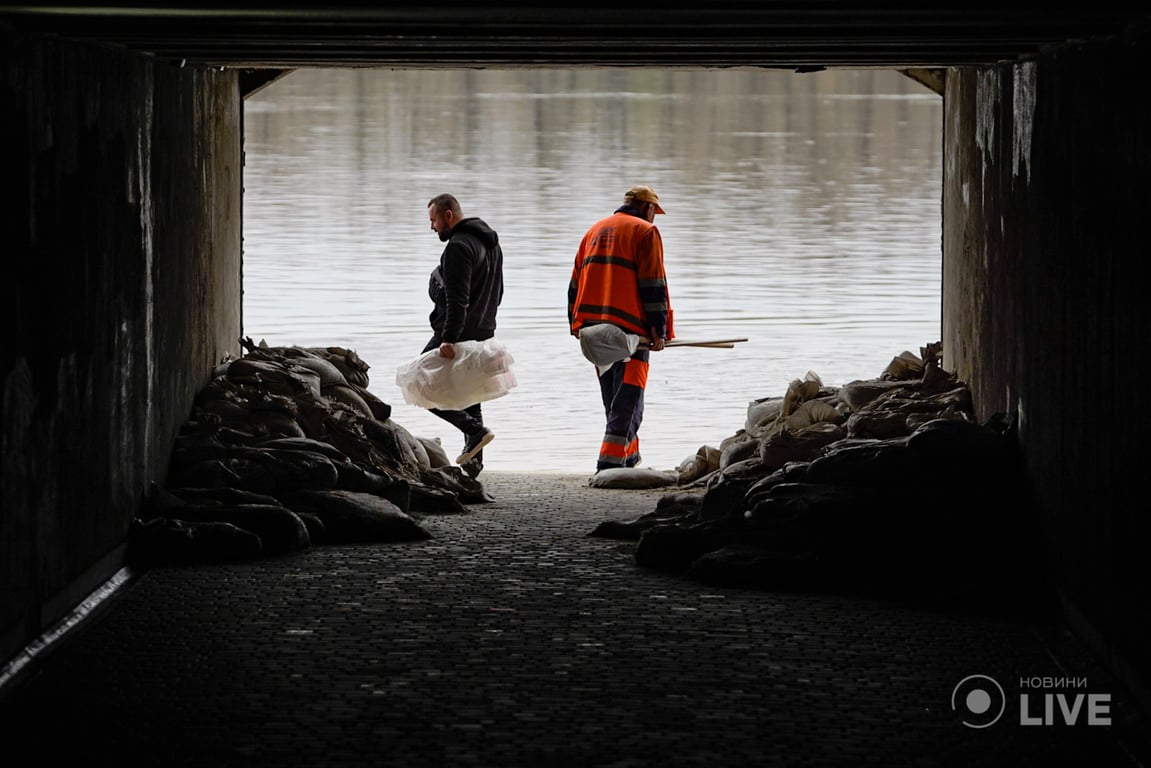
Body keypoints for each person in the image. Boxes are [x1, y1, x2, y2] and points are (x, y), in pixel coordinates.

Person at [568, 185, 675, 473]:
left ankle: (629, 458)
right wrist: (659, 331)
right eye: (654, 212)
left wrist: (575, 324)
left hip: (593, 330)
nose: (654, 218)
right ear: (648, 208)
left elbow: (575, 281)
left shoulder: (594, 230)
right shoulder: (645, 232)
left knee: (614, 398)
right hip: (631, 332)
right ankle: (609, 465)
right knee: (629, 400)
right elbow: (653, 284)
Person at [422, 193, 504, 478]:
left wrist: (448, 337)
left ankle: (474, 430)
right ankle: (473, 466)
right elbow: (498, 292)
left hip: (457, 332)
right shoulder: (491, 243)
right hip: (483, 331)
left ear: (448, 216)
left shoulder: (458, 246)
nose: (432, 227)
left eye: (433, 220)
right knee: (470, 394)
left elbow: (458, 299)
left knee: (420, 384)